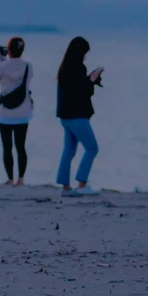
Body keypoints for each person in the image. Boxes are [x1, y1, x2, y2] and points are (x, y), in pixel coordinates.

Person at [53, 36, 102, 191]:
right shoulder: (79, 68)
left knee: (69, 150)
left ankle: (65, 185)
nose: (86, 56)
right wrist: (92, 79)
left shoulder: (64, 68)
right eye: (85, 53)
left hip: (65, 116)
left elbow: (73, 89)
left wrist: (89, 80)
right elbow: (83, 92)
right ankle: (82, 183)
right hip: (77, 117)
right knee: (92, 148)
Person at [0, 37, 33, 185]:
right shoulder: (28, 67)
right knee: (21, 147)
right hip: (23, 112)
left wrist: (1, 58)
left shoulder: (3, 66)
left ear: (9, 50)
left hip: (5, 113)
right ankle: (21, 178)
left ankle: (10, 178)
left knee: (7, 147)